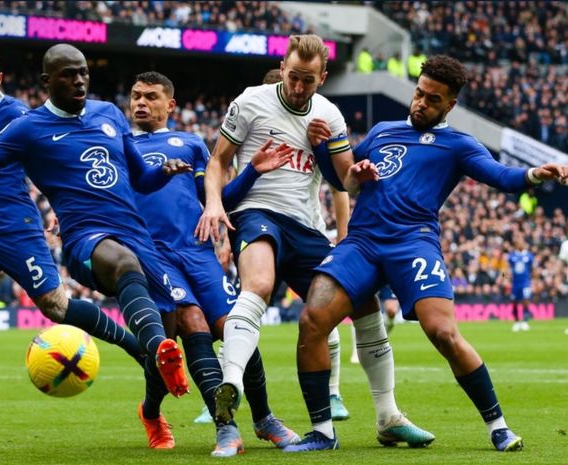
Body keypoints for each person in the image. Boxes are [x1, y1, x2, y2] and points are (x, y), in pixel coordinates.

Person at [0, 45, 196, 427]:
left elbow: (60, 156)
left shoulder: (19, 116)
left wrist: (73, 203)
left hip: (17, 230)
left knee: (57, 308)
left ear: (0, 79)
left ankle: (139, 347)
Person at [289, 54, 568, 452]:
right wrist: (327, 153)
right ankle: (322, 432)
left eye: (433, 99)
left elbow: (500, 176)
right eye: (419, 93)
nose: (421, 103)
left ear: (450, 104)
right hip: (363, 241)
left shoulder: (459, 145)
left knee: (444, 333)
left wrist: (534, 175)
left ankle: (498, 426)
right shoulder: (384, 131)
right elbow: (343, 179)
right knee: (312, 319)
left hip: (413, 243)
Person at [196, 34, 432, 450]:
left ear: (322, 78)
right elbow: (217, 161)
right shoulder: (250, 101)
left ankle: (388, 416)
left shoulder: (329, 115)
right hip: (258, 214)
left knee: (363, 302)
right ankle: (229, 384)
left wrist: (360, 171)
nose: (298, 87)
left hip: (307, 228)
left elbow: (346, 182)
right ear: (282, 67)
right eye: (292, 77)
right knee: (260, 285)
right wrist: (214, 203)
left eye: (308, 80)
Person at [130, 71, 299, 456]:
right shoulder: (122, 147)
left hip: (197, 249)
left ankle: (264, 418)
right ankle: (226, 427)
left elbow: (219, 198)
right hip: (154, 255)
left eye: (151, 96)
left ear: (170, 105)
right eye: (136, 96)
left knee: (233, 327)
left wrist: (253, 168)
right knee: (192, 322)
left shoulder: (189, 144)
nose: (141, 102)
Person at [260, 64, 351, 420]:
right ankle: (230, 384)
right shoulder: (255, 129)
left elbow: (339, 186)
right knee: (244, 304)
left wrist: (344, 235)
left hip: (307, 230)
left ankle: (334, 393)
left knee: (323, 310)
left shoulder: (314, 128)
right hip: (263, 232)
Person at [508, 235, 534, 332]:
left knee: (526, 301)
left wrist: (534, 281)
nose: (520, 243)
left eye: (521, 241)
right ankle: (516, 322)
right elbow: (505, 270)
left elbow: (533, 270)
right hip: (515, 283)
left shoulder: (529, 256)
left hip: (525, 282)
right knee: (514, 302)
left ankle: (525, 321)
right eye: (518, 242)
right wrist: (506, 278)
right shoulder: (512, 256)